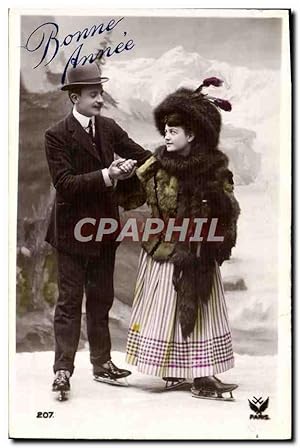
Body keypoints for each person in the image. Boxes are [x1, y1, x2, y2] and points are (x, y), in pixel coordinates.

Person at [123, 79, 241, 399]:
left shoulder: (213, 170)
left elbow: (228, 211)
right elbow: (131, 198)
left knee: (202, 311)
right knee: (166, 310)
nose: (166, 135)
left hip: (199, 253)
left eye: (173, 131)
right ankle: (175, 373)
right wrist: (122, 178)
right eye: (165, 130)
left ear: (192, 135)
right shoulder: (154, 165)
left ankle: (203, 377)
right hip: (164, 251)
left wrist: (218, 239)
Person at [44, 62, 151, 398]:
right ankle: (63, 371)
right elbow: (65, 184)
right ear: (74, 97)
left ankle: (102, 364)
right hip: (71, 233)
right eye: (93, 94)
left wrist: (167, 159)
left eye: (101, 93)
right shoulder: (56, 135)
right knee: (70, 302)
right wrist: (110, 174)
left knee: (102, 299)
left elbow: (144, 156)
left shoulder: (109, 127)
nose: (101, 99)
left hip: (104, 230)